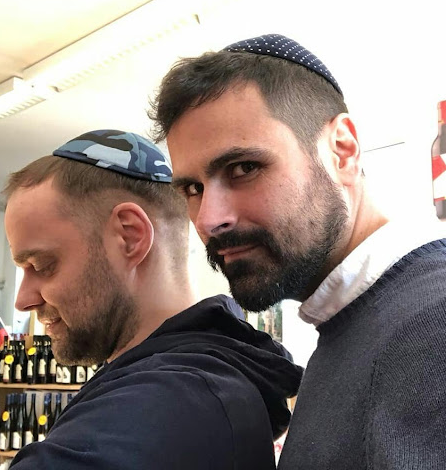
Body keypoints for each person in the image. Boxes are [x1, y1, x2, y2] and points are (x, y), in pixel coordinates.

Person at [149, 34, 446, 469]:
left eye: (244, 168)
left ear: (342, 151)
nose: (210, 219)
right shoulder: (348, 326)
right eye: (193, 188)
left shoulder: (433, 325)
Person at [3, 129, 302, 469]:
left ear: (129, 236)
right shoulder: (212, 378)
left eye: (41, 265)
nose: (23, 300)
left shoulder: (166, 406)